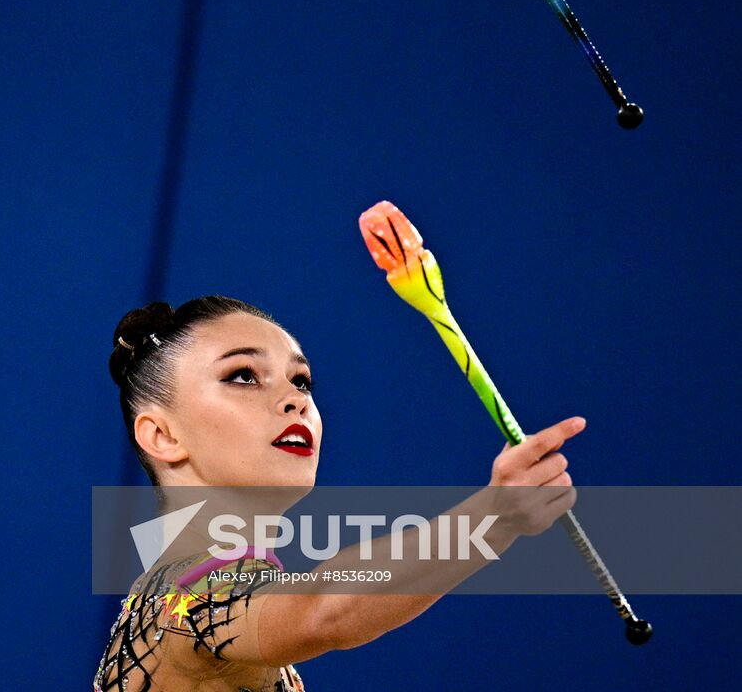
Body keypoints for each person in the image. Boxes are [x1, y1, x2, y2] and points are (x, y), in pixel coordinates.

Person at [94, 295, 584, 691]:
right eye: (243, 375)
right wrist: (493, 518)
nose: (296, 400)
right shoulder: (189, 594)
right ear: (162, 436)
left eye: (301, 380)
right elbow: (325, 606)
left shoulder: (189, 597)